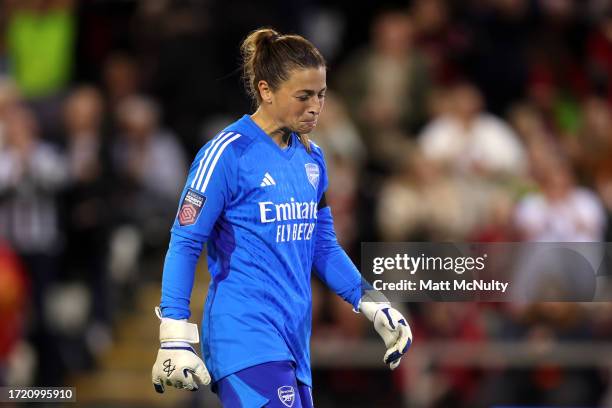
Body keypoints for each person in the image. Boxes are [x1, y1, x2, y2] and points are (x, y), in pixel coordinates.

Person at [150, 28, 412, 407]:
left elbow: (321, 245)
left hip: (293, 339)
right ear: (265, 90)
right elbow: (185, 241)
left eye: (321, 95)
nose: (315, 107)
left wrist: (371, 301)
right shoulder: (226, 154)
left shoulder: (312, 158)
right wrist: (174, 331)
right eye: (303, 96)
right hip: (243, 334)